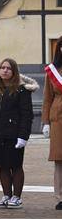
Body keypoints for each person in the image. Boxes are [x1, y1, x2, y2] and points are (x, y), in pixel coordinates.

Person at [0, 57, 34, 208]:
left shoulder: (21, 90)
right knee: (2, 166)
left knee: (15, 165)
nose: (5, 71)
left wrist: (23, 136)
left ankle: (17, 197)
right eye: (2, 68)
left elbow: (26, 114)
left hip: (14, 134)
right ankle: (7, 195)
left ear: (14, 71)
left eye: (8, 68)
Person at [45, 44, 62, 210]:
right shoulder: (52, 71)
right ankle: (60, 197)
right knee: (59, 160)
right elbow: (47, 98)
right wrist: (45, 122)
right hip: (58, 117)